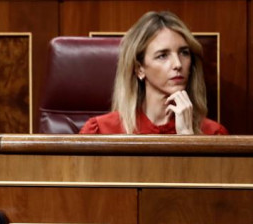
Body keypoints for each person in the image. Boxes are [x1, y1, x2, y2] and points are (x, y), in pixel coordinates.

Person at [80, 11, 228, 135]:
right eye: (163, 55)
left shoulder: (213, 133)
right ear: (139, 69)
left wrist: (188, 139)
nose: (177, 64)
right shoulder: (101, 131)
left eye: (184, 53)